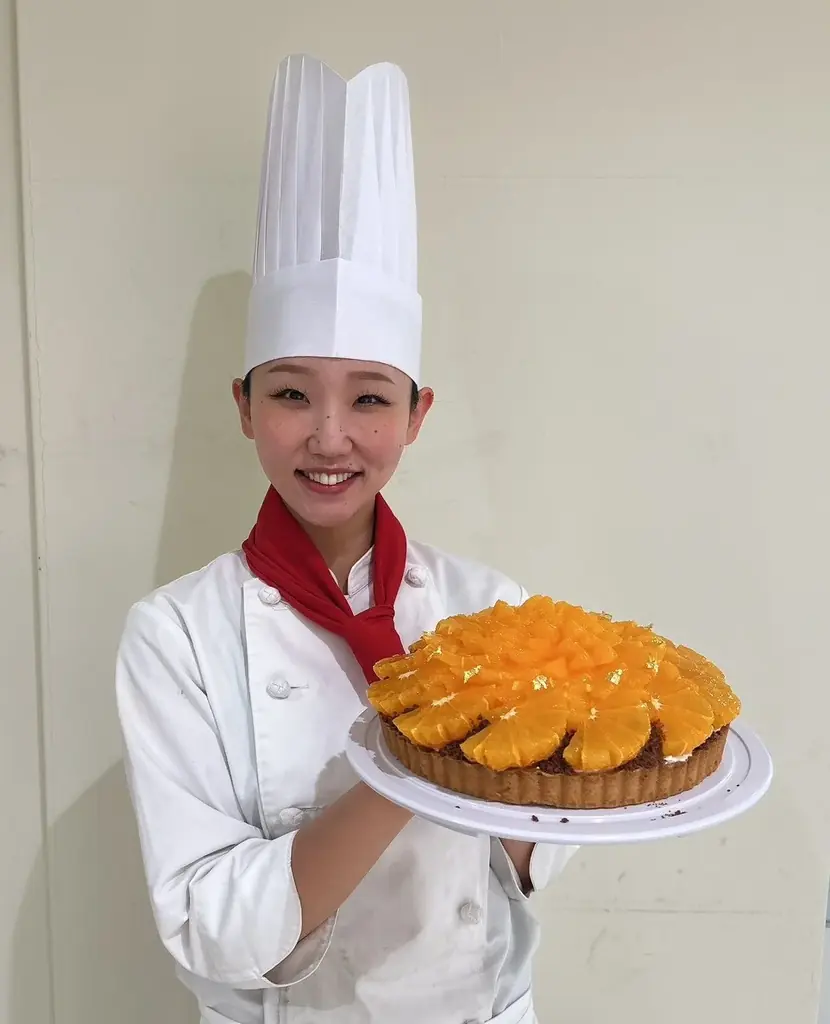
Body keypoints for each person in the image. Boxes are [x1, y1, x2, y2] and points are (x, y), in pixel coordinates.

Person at [116, 54, 577, 1024]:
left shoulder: (489, 608)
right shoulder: (177, 633)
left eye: (369, 398)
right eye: (291, 393)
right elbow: (212, 925)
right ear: (244, 407)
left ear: (417, 415)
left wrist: (548, 779)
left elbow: (542, 852)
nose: (329, 437)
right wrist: (419, 759)